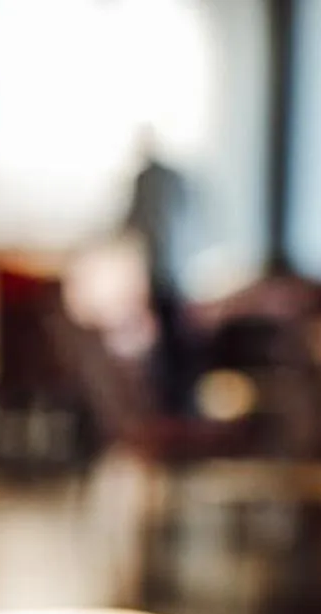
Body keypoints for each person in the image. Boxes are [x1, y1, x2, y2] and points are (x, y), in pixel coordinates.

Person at [124, 130, 196, 414]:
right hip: (169, 269)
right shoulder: (170, 178)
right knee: (169, 337)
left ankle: (174, 405)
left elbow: (131, 219)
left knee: (170, 339)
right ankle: (174, 404)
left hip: (166, 269)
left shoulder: (151, 180)